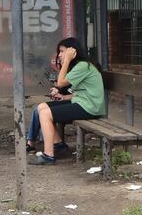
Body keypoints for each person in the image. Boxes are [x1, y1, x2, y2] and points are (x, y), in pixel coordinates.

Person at [29, 37, 105, 165]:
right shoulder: (79, 66)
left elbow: (60, 82)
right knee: (41, 107)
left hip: (90, 107)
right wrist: (63, 98)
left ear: (72, 51)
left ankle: (48, 155)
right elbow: (81, 93)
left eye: (62, 51)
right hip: (83, 103)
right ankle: (59, 145)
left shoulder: (83, 66)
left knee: (45, 113)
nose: (59, 55)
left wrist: (67, 60)